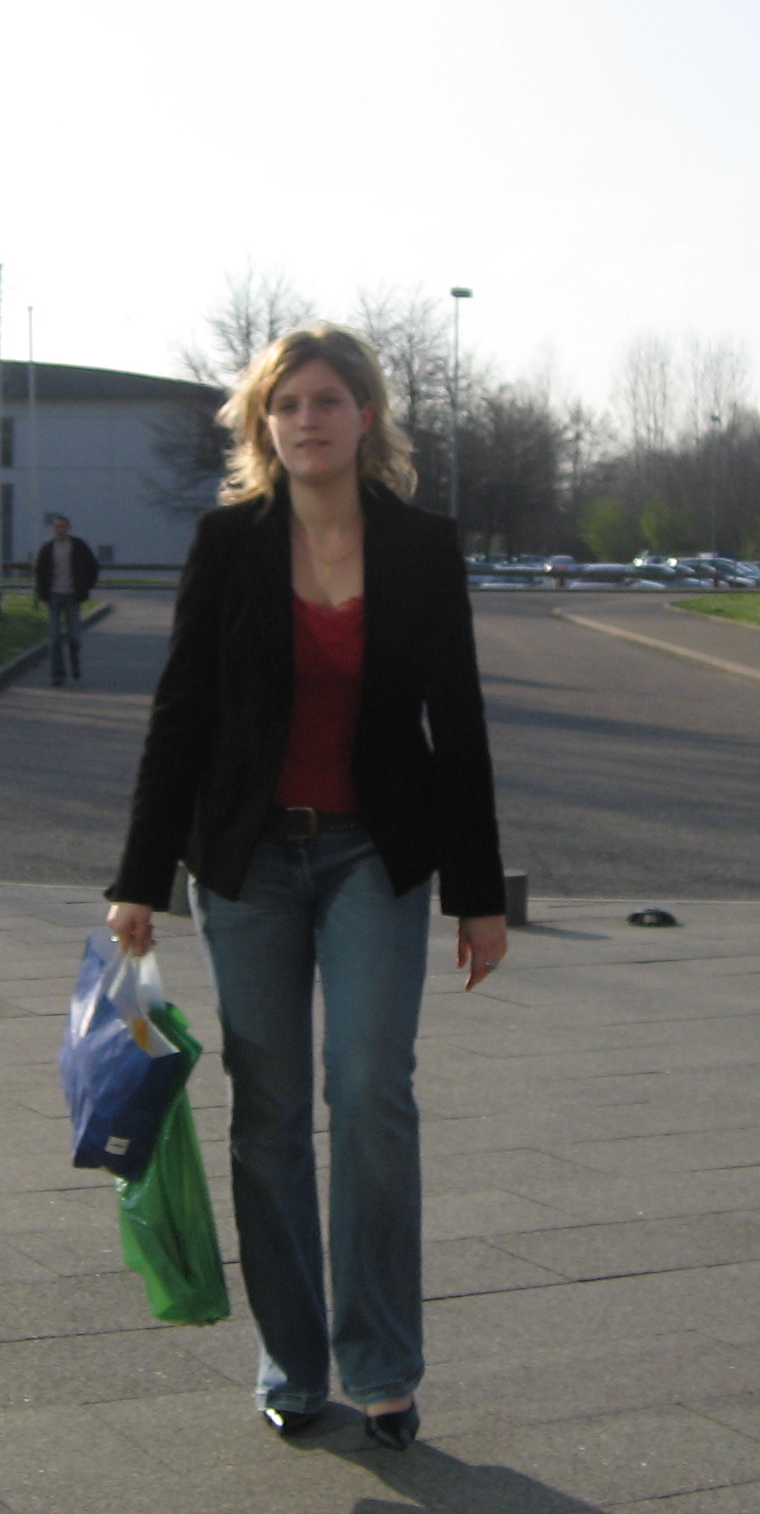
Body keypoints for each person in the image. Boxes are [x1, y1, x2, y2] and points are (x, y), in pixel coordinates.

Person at [107, 323, 507, 1453]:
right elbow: (180, 713)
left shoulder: (420, 546)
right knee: (270, 1110)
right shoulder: (227, 543)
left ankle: (382, 1364)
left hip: (373, 853)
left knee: (372, 1090)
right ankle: (293, 1360)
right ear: (262, 426)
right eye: (285, 406)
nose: (306, 421)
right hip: (248, 863)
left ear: (364, 417)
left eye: (326, 401)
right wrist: (138, 877)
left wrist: (478, 896)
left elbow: (457, 723)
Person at [31, 514, 100, 686]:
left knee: (74, 637)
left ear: (68, 528)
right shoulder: (48, 548)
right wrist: (41, 594)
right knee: (54, 638)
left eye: (62, 527)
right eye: (57, 527)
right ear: (53, 529)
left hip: (72, 596)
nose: (59, 530)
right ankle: (58, 674)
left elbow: (93, 566)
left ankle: (74, 663)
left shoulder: (78, 546)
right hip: (54, 595)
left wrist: (86, 586)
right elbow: (39, 571)